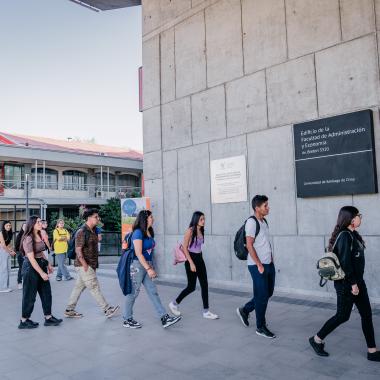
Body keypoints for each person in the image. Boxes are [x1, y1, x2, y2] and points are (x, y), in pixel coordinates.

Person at [309, 206, 380, 361]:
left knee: (366, 315)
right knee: (342, 316)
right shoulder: (344, 236)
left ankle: (372, 351)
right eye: (358, 215)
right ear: (351, 219)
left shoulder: (353, 235)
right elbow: (345, 263)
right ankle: (316, 339)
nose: (360, 217)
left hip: (358, 282)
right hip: (347, 284)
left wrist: (357, 283)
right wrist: (354, 284)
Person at [123, 210, 181, 329]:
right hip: (138, 265)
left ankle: (164, 317)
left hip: (146, 265)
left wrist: (151, 266)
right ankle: (127, 319)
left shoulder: (149, 232)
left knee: (153, 291)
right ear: (145, 219)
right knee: (133, 293)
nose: (153, 219)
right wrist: (148, 268)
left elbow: (149, 252)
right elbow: (138, 253)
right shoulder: (138, 233)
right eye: (151, 217)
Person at [64, 208, 119, 319]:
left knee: (78, 287)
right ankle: (107, 309)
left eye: (98, 217)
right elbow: (78, 250)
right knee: (94, 287)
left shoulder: (93, 231)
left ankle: (69, 309)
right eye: (96, 217)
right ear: (89, 218)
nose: (98, 219)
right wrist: (85, 264)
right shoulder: (82, 231)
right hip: (84, 265)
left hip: (91, 264)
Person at [236, 195, 276, 339]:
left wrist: (270, 259)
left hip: (268, 264)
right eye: (265, 205)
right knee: (262, 296)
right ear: (257, 208)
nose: (268, 207)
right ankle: (260, 326)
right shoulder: (251, 223)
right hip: (257, 265)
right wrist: (259, 264)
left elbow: (264, 242)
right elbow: (249, 244)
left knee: (268, 293)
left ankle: (245, 310)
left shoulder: (264, 221)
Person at [169, 211, 219, 319]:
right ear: (196, 219)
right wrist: (191, 263)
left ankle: (206, 312)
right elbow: (185, 248)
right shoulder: (190, 231)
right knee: (191, 287)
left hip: (200, 258)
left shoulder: (201, 230)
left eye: (204, 219)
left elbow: (198, 247)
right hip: (190, 259)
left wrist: (199, 260)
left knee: (204, 284)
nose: (203, 221)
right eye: (201, 219)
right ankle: (174, 304)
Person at [18, 216, 62, 329]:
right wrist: (42, 273)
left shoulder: (38, 234)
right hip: (30, 268)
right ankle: (24, 320)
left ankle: (48, 317)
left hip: (41, 264)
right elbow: (31, 258)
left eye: (40, 221)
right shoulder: (28, 238)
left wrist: (48, 264)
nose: (40, 223)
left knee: (46, 293)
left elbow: (41, 252)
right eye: (38, 222)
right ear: (32, 224)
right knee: (29, 296)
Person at [0, 220, 16, 293]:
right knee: (3, 269)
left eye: (10, 225)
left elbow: (8, 244)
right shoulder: (1, 233)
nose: (9, 227)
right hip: (2, 251)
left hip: (6, 251)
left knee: (7, 269)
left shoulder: (9, 233)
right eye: (7, 225)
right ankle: (2, 288)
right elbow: (3, 245)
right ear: (4, 226)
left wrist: (12, 251)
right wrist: (10, 251)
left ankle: (6, 286)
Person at [15, 222, 26, 290]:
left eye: (26, 226)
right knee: (21, 268)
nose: (25, 227)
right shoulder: (19, 235)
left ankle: (26, 282)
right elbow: (17, 245)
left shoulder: (29, 234)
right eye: (24, 226)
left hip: (28, 253)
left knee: (27, 268)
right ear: (22, 227)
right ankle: (19, 282)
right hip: (21, 253)